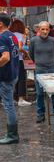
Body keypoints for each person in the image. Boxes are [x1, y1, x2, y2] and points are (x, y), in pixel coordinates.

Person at [29, 21, 54, 123]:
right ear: (39, 30)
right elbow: (31, 54)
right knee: (39, 94)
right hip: (39, 69)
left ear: (49, 30)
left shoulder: (53, 41)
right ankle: (40, 114)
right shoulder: (33, 41)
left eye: (47, 29)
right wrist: (38, 63)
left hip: (51, 69)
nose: (45, 31)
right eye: (43, 29)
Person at [0, 13, 20, 144]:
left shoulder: (1, 37)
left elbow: (6, 57)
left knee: (8, 105)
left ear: (0, 23)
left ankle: (12, 135)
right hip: (14, 74)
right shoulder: (12, 35)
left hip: (6, 76)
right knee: (9, 104)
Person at [9, 19, 31, 106]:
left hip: (10, 60)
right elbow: (20, 48)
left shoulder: (9, 35)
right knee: (21, 79)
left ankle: (12, 98)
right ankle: (21, 99)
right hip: (19, 60)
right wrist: (26, 53)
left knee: (13, 79)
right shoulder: (22, 36)